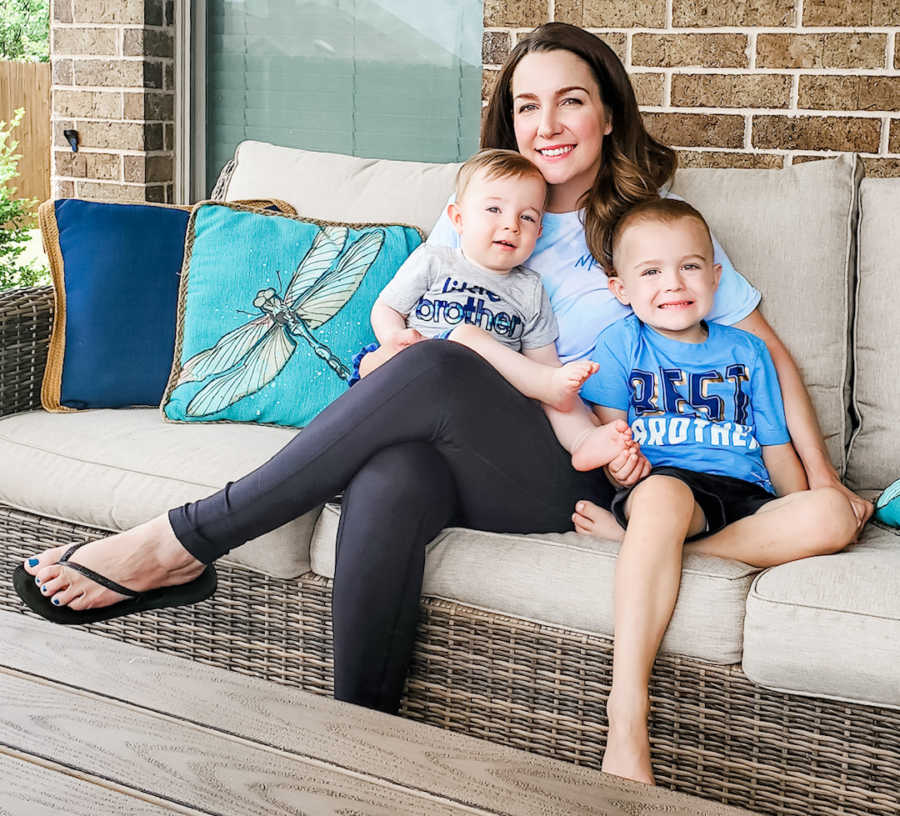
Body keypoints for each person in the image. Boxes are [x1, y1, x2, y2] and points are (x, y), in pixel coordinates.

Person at [17, 22, 870, 731]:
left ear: (609, 113)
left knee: (438, 363)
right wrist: (385, 361)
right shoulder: (480, 215)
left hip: (582, 473)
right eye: (527, 105)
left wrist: (826, 486)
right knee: (394, 474)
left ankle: (182, 540)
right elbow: (405, 326)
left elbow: (770, 359)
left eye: (571, 98)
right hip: (457, 441)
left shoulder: (654, 235)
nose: (549, 122)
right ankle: (363, 737)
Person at [577, 197, 859, 784]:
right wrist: (621, 475)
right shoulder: (620, 345)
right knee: (658, 499)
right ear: (621, 288)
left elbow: (775, 445)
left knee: (832, 516)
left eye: (689, 266)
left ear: (715, 275)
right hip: (667, 486)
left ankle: (638, 549)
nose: (672, 284)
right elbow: (613, 441)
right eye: (650, 271)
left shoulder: (747, 350)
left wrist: (804, 506)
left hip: (744, 495)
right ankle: (626, 712)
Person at [357, 147, 637, 469]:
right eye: (494, 209)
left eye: (527, 217)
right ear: (458, 219)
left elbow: (543, 365)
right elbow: (386, 307)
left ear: (539, 232)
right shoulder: (434, 259)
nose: (512, 225)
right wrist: (393, 336)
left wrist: (553, 386)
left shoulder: (530, 289)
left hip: (480, 402)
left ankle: (584, 440)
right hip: (416, 377)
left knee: (555, 386)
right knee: (374, 362)